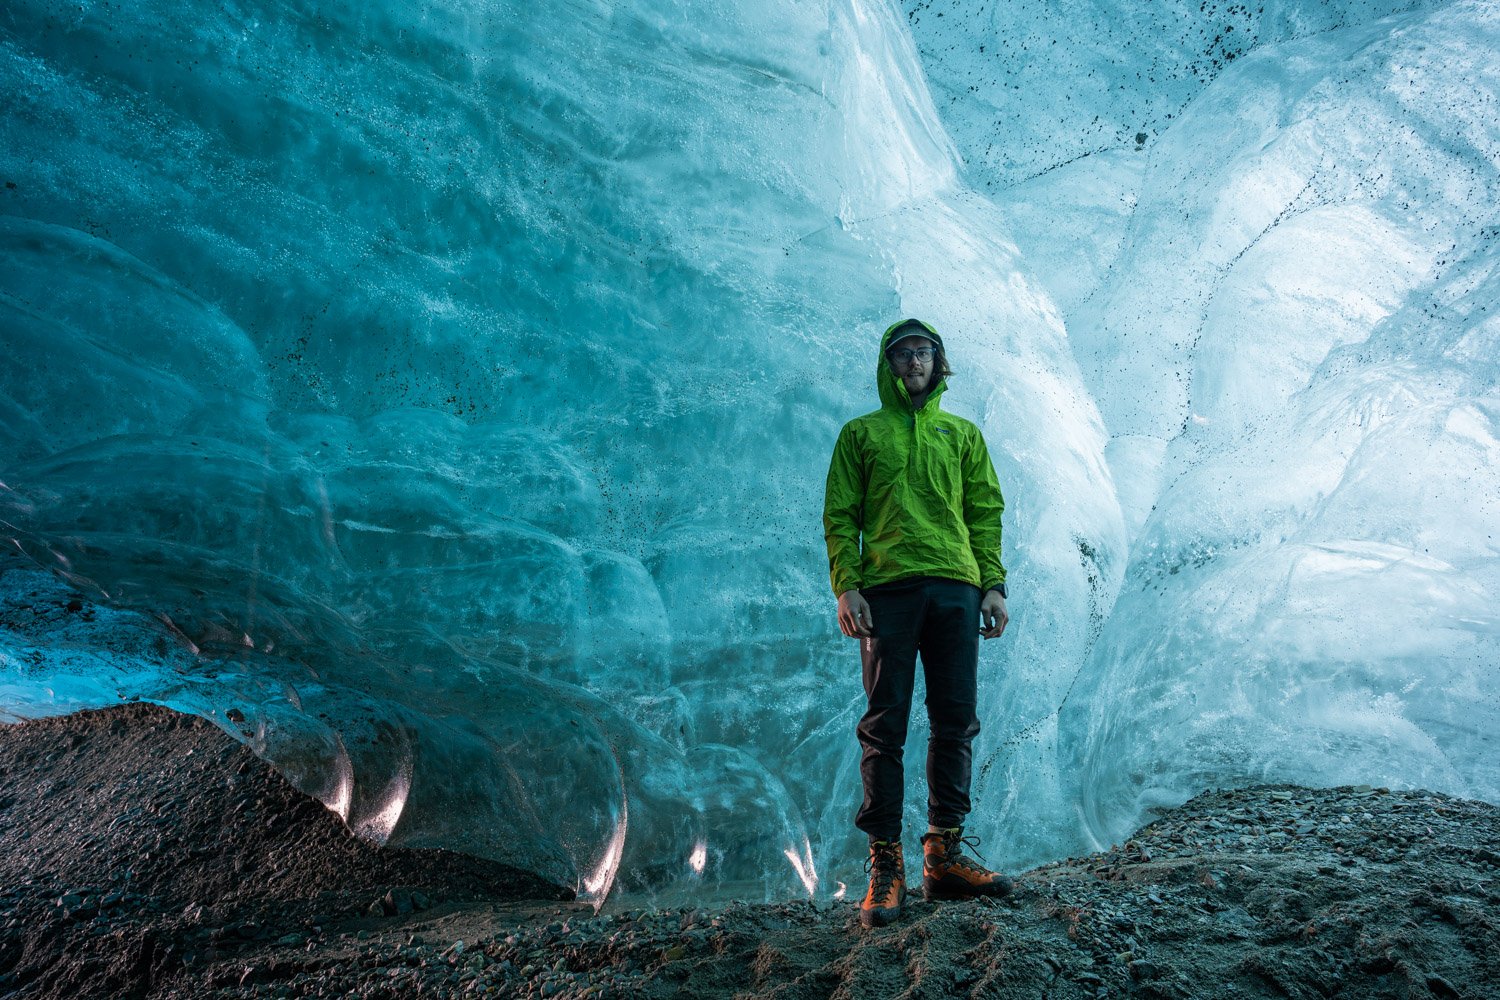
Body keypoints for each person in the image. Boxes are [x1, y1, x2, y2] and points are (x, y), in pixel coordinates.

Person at [823, 317, 1013, 928]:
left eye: (923, 352)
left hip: (956, 587)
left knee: (955, 718)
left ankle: (943, 857)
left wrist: (993, 584)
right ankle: (885, 865)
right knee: (885, 723)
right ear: (888, 364)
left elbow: (984, 509)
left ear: (939, 361)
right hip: (887, 590)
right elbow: (840, 512)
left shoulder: (962, 435)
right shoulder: (861, 434)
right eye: (901, 354)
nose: (913, 362)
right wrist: (846, 586)